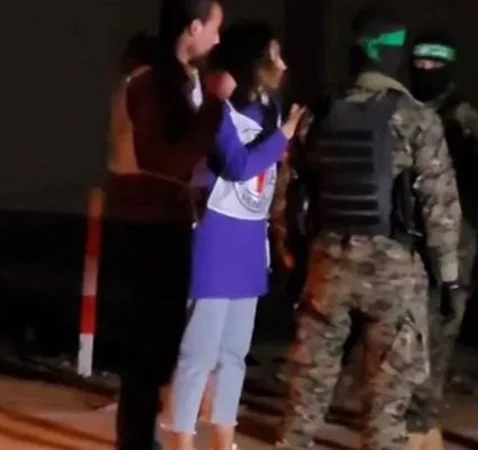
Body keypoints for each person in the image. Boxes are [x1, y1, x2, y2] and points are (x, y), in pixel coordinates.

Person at [274, 11, 461, 450]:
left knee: (307, 389)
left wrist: (289, 251)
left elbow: (288, 190)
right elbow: (439, 206)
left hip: (328, 263)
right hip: (393, 271)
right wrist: (449, 277)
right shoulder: (415, 117)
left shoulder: (320, 112)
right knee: (386, 400)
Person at [163, 21, 306, 450]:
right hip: (217, 236)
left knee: (235, 351)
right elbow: (239, 165)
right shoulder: (218, 111)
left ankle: (223, 434)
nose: (283, 65)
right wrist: (284, 136)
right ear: (254, 62)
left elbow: (273, 176)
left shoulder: (271, 111)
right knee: (199, 350)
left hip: (249, 240)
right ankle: (181, 436)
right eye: (275, 55)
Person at [106, 1, 223, 449]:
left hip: (167, 221)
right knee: (147, 346)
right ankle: (137, 441)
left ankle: (143, 436)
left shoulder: (179, 79)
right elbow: (165, 161)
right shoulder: (149, 82)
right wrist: (215, 109)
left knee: (161, 344)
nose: (217, 40)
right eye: (213, 28)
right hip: (147, 226)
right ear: (193, 28)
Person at [403, 31, 478, 450]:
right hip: (403, 241)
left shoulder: (466, 120)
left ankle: (423, 425)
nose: (426, 71)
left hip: (454, 245)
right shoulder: (401, 109)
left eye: (435, 64)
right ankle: (413, 424)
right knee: (401, 340)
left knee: (439, 339)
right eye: (420, 64)